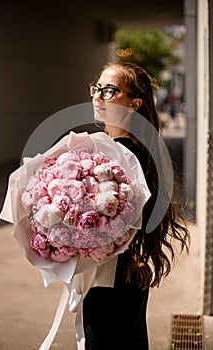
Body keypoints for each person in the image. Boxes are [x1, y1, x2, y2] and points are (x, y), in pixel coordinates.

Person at [82, 61, 190, 350]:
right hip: (124, 274)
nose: (98, 96)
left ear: (134, 103)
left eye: (109, 90)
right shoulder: (127, 148)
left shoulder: (126, 156)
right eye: (97, 88)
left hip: (114, 277)